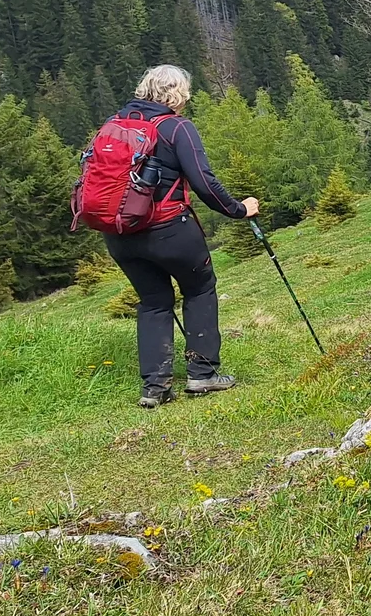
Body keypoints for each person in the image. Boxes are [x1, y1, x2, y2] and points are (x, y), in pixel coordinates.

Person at [93, 66, 258, 408]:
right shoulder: (176, 127)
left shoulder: (113, 124)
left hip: (119, 232)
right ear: (178, 94)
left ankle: (155, 388)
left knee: (153, 301)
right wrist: (239, 210)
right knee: (199, 288)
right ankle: (203, 373)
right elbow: (204, 183)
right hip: (168, 229)